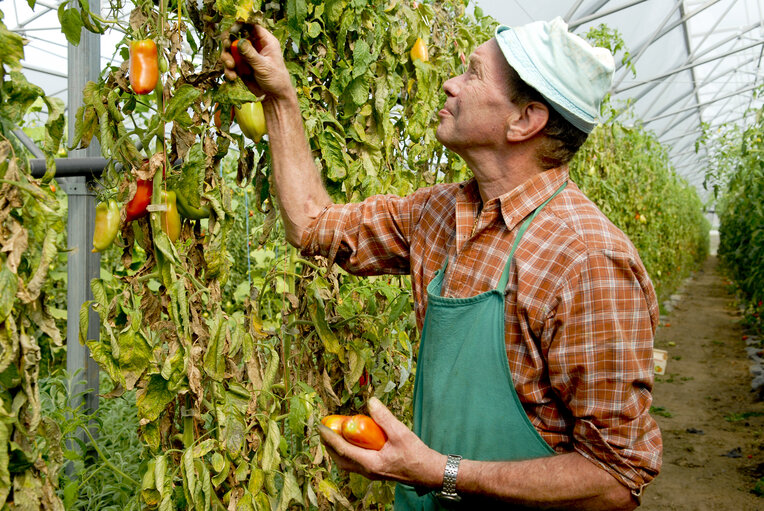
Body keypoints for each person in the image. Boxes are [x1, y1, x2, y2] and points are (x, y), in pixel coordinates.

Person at [223, 16, 661, 511]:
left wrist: (438, 472)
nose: (450, 83)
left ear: (525, 120)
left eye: (473, 73)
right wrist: (279, 97)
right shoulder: (437, 213)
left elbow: (615, 478)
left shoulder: (587, 260)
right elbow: (313, 225)